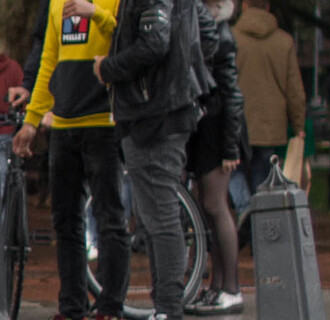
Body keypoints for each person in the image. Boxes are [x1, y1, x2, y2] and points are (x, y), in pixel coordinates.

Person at [18, 0, 131, 317]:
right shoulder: (57, 3)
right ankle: (71, 305)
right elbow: (48, 62)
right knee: (66, 222)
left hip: (103, 121)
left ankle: (110, 306)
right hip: (64, 123)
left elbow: (128, 41)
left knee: (110, 218)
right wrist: (31, 120)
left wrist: (96, 14)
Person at [96, 0, 208, 315]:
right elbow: (206, 36)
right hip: (160, 110)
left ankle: (168, 307)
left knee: (160, 217)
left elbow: (155, 43)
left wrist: (108, 68)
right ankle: (165, 305)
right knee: (157, 216)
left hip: (153, 115)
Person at [183, 0, 249, 313]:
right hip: (206, 126)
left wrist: (230, 148)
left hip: (217, 127)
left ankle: (232, 287)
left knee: (215, 205)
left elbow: (233, 94)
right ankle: (217, 285)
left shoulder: (220, 33)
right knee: (208, 208)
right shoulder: (204, 25)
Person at [232, 0, 306, 212]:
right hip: (269, 125)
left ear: (244, 6)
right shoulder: (284, 42)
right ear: (268, 7)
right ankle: (261, 223)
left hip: (237, 122)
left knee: (233, 172)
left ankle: (244, 208)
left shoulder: (231, 38)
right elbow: (294, 90)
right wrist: (299, 125)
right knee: (262, 179)